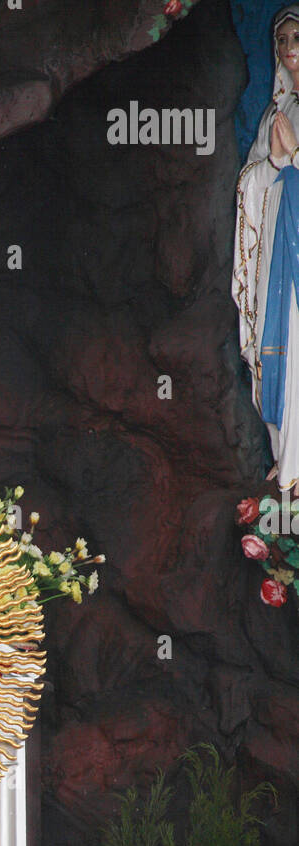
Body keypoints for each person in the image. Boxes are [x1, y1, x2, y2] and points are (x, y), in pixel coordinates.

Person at [233, 7, 299, 499]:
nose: (289, 47)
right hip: (279, 259)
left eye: (298, 36)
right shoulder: (276, 114)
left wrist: (295, 158)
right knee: (280, 348)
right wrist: (277, 161)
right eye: (281, 40)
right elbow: (251, 182)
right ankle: (288, 461)